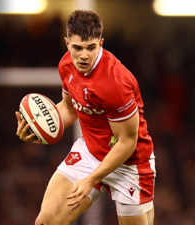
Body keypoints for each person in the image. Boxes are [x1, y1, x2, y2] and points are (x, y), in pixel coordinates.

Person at [16, 10, 155, 225]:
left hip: (130, 164)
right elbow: (69, 108)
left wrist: (92, 179)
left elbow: (127, 142)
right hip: (90, 153)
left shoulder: (116, 83)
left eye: (91, 48)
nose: (84, 56)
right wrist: (36, 129)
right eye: (77, 48)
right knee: (45, 222)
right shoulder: (66, 66)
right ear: (67, 43)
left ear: (101, 43)